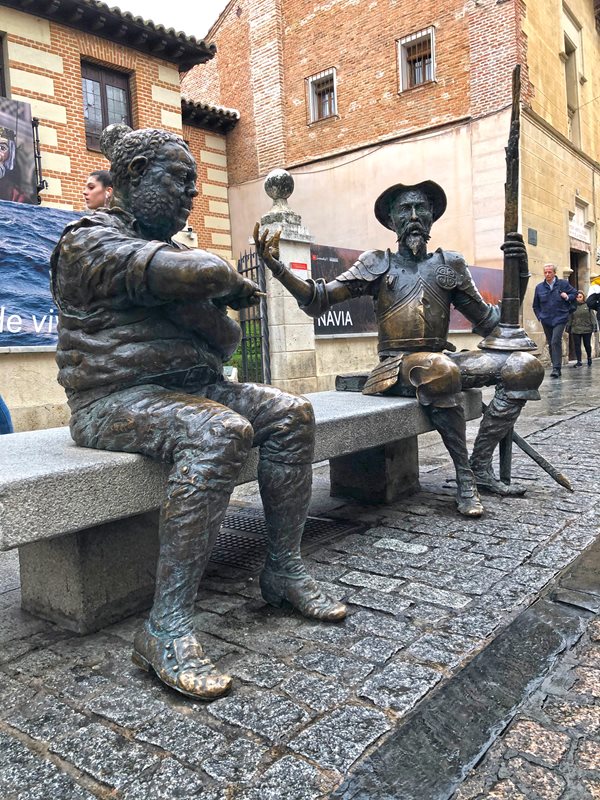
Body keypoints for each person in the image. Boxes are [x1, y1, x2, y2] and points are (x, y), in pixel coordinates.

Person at [51, 124, 346, 702]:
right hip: (114, 402)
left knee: (290, 412)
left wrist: (205, 308)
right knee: (220, 433)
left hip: (194, 389)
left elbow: (227, 339)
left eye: (194, 184)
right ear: (134, 179)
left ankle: (283, 569)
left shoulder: (173, 255)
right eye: (180, 181)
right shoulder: (89, 239)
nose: (193, 195)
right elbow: (203, 278)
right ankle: (165, 628)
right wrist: (221, 283)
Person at [255, 180, 544, 518]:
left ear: (432, 216)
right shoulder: (377, 263)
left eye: (421, 208)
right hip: (397, 365)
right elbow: (317, 300)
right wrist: (277, 268)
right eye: (404, 210)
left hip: (441, 360)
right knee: (441, 369)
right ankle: (465, 478)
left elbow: (491, 325)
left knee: (524, 367)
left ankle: (480, 464)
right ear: (391, 221)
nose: (414, 216)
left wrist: (519, 277)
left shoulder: (449, 264)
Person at [532, 264, 577, 377]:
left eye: (550, 272)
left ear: (554, 273)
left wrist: (567, 297)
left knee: (555, 341)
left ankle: (557, 368)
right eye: (545, 272)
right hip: (546, 319)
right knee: (551, 343)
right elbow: (535, 305)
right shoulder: (539, 287)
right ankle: (555, 365)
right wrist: (540, 316)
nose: (547, 274)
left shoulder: (563, 284)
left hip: (560, 317)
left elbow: (575, 293)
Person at [566, 290, 596, 367]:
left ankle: (589, 357)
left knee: (587, 344)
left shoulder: (588, 306)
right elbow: (570, 317)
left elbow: (592, 316)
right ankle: (579, 361)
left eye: (580, 297)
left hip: (587, 328)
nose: (578, 298)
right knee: (577, 345)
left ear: (583, 297)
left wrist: (594, 326)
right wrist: (568, 326)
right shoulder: (573, 306)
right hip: (576, 328)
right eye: (577, 297)